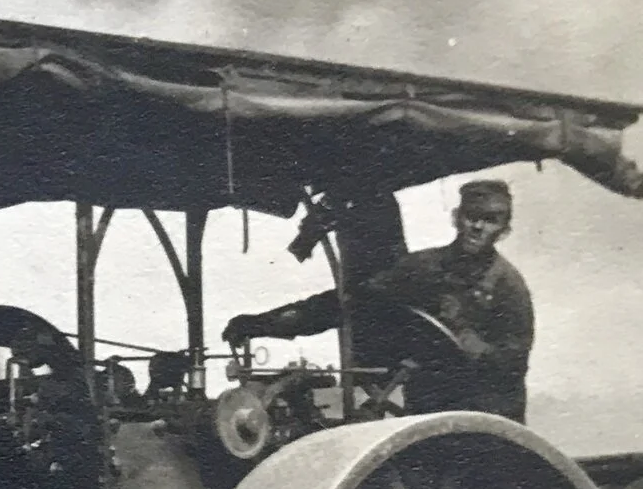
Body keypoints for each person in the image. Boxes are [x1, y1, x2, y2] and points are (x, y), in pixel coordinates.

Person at [222, 179, 536, 420]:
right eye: (471, 216)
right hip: (427, 411)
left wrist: (472, 345)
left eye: (490, 220)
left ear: (504, 230)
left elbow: (512, 364)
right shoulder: (422, 269)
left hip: (486, 417)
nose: (478, 227)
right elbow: (349, 304)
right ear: (457, 217)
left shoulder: (509, 288)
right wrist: (263, 324)